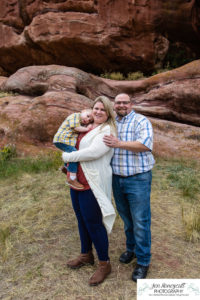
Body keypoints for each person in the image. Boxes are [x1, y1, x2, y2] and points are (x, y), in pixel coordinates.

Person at [62, 96, 117, 286]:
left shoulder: (107, 130)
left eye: (103, 109)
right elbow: (74, 144)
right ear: (91, 109)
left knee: (94, 223)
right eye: (96, 108)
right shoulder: (86, 128)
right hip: (77, 181)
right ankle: (86, 254)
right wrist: (68, 164)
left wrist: (67, 155)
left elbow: (93, 152)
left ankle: (104, 263)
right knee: (81, 219)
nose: (98, 112)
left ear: (108, 112)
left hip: (92, 182)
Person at [103, 93, 155, 282]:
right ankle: (131, 249)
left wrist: (119, 143)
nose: (122, 105)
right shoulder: (111, 123)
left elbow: (145, 145)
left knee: (141, 221)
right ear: (114, 105)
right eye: (118, 102)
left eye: (125, 102)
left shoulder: (141, 121)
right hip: (117, 179)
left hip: (138, 179)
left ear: (131, 104)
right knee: (126, 218)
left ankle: (143, 261)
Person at [53, 109, 93, 189]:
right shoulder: (75, 116)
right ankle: (72, 179)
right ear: (83, 111)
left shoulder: (80, 121)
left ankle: (66, 167)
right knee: (74, 154)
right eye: (88, 116)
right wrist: (87, 129)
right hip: (62, 140)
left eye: (89, 120)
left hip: (65, 141)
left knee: (70, 153)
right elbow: (76, 128)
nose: (87, 119)